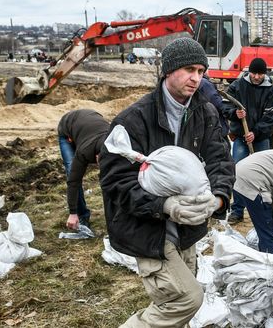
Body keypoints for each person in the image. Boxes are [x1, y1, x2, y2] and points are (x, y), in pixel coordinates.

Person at [99, 37, 235, 328]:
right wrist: (165, 205)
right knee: (186, 300)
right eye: (189, 69)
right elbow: (115, 181)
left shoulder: (205, 112)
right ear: (168, 71)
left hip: (187, 228)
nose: (196, 78)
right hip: (147, 229)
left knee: (174, 305)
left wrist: (219, 198)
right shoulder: (134, 119)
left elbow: (220, 160)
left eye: (201, 71)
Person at [223, 57, 273, 223]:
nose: (256, 77)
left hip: (261, 138)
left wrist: (255, 132)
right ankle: (237, 210)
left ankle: (264, 209)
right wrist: (235, 113)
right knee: (239, 171)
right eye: (254, 73)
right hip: (241, 137)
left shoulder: (270, 91)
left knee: (263, 173)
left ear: (265, 73)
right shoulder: (238, 86)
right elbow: (225, 105)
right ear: (249, 72)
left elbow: (271, 116)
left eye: (260, 74)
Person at [57, 109, 110, 230]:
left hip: (92, 119)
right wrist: (72, 212)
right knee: (72, 170)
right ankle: (82, 216)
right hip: (67, 127)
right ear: (96, 156)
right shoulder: (85, 152)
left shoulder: (117, 144)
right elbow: (73, 182)